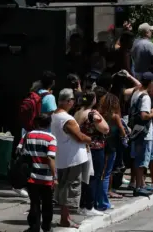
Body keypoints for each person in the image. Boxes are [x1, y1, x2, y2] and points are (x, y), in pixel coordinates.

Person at [51, 89, 91, 229]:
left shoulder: (54, 115)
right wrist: (91, 139)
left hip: (62, 157)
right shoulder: (67, 119)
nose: (74, 102)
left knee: (64, 186)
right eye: (73, 100)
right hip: (72, 158)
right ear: (68, 101)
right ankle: (65, 218)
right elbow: (79, 137)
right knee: (70, 186)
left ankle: (65, 217)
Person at [75, 92, 110, 213]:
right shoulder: (92, 115)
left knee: (84, 177)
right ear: (93, 100)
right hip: (95, 149)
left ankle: (82, 205)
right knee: (93, 177)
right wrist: (99, 114)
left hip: (82, 147)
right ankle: (89, 206)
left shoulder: (78, 113)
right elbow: (106, 129)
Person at [22, 114, 57, 232]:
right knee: (47, 203)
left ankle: (34, 227)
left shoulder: (27, 135)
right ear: (49, 124)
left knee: (34, 203)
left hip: (30, 176)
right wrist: (55, 176)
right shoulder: (51, 138)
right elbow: (50, 158)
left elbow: (19, 150)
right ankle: (46, 227)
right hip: (46, 178)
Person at [129, 72, 153, 196]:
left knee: (138, 158)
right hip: (144, 133)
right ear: (150, 83)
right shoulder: (145, 97)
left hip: (136, 130)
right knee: (142, 160)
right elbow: (144, 115)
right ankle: (139, 186)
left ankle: (141, 184)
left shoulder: (135, 93)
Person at [98, 92, 127, 200]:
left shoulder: (100, 114)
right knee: (108, 172)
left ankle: (101, 194)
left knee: (101, 170)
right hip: (112, 145)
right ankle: (106, 194)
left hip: (102, 144)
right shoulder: (115, 116)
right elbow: (123, 132)